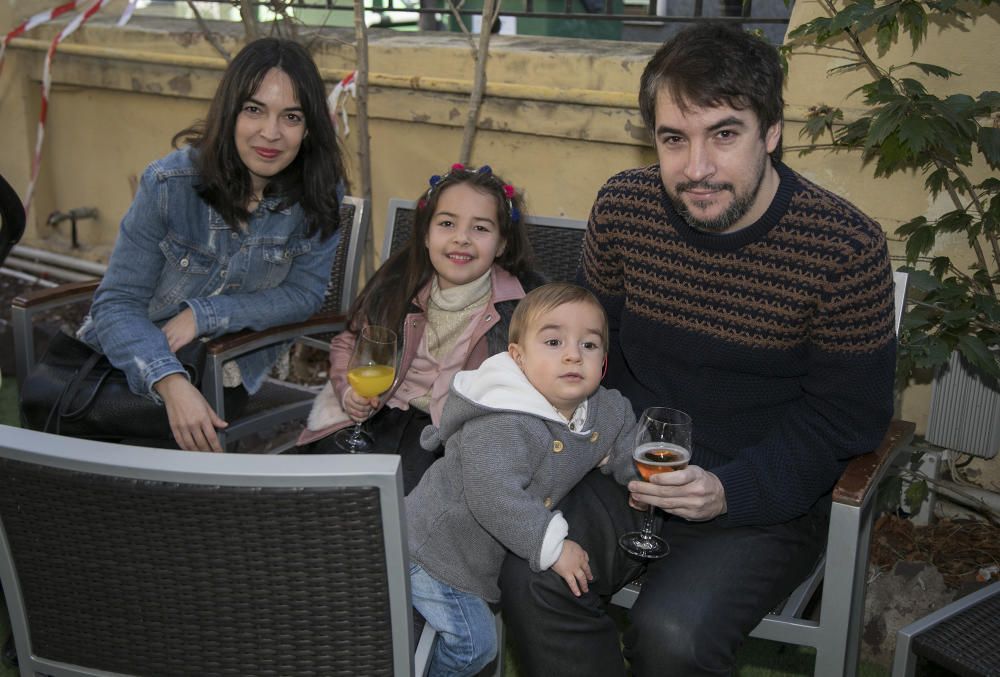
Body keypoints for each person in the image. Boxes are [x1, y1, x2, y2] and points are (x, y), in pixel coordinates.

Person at [498, 22, 897, 676]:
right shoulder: (625, 209)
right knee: (530, 570)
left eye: (725, 134)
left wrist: (727, 489)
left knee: (673, 634)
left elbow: (846, 419)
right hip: (628, 471)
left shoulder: (842, 249)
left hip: (761, 499)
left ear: (771, 131)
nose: (698, 167)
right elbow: (598, 355)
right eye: (673, 139)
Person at [77, 37, 347, 452]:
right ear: (229, 111)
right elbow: (116, 303)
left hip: (224, 369)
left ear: (309, 127)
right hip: (130, 358)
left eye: (291, 116)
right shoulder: (169, 185)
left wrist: (205, 315)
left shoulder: (318, 192)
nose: (271, 133)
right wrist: (168, 380)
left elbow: (304, 294)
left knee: (163, 473)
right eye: (254, 110)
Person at [407, 282, 639, 676]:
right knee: (474, 647)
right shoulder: (503, 418)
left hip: (477, 559)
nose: (572, 354)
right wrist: (552, 546)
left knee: (471, 639)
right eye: (553, 342)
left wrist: (640, 476)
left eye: (589, 345)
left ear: (603, 360)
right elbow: (494, 495)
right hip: (433, 552)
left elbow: (623, 438)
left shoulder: (601, 408)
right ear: (517, 357)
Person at [296, 163, 545, 492]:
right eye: (447, 224)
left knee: (414, 505)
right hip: (383, 412)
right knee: (328, 490)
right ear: (426, 235)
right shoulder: (398, 287)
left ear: (501, 244)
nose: (461, 238)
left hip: (452, 436)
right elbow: (350, 343)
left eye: (480, 229)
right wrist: (349, 391)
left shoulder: (523, 309)